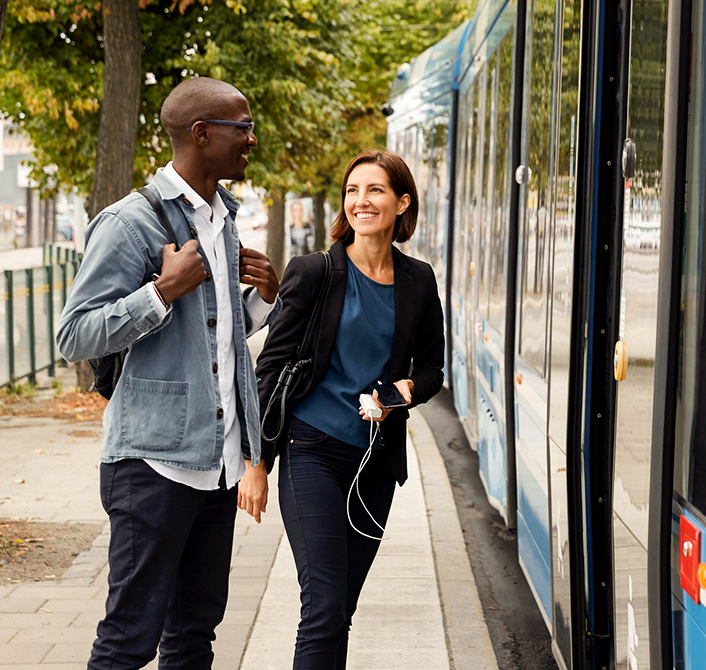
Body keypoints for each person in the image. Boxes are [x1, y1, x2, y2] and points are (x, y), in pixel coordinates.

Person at [56, 77, 281, 670]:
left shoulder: (221, 219)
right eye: (242, 127)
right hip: (152, 465)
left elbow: (216, 338)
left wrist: (262, 298)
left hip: (218, 465)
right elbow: (73, 334)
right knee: (129, 638)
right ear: (201, 134)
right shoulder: (130, 222)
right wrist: (162, 290)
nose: (251, 139)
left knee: (194, 635)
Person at [238, 149, 444, 670]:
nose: (361, 201)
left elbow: (433, 370)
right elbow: (270, 371)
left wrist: (397, 396)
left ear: (401, 203)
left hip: (374, 464)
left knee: (341, 611)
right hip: (311, 453)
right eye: (353, 191)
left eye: (375, 190)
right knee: (323, 605)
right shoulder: (312, 273)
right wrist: (255, 463)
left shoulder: (419, 281)